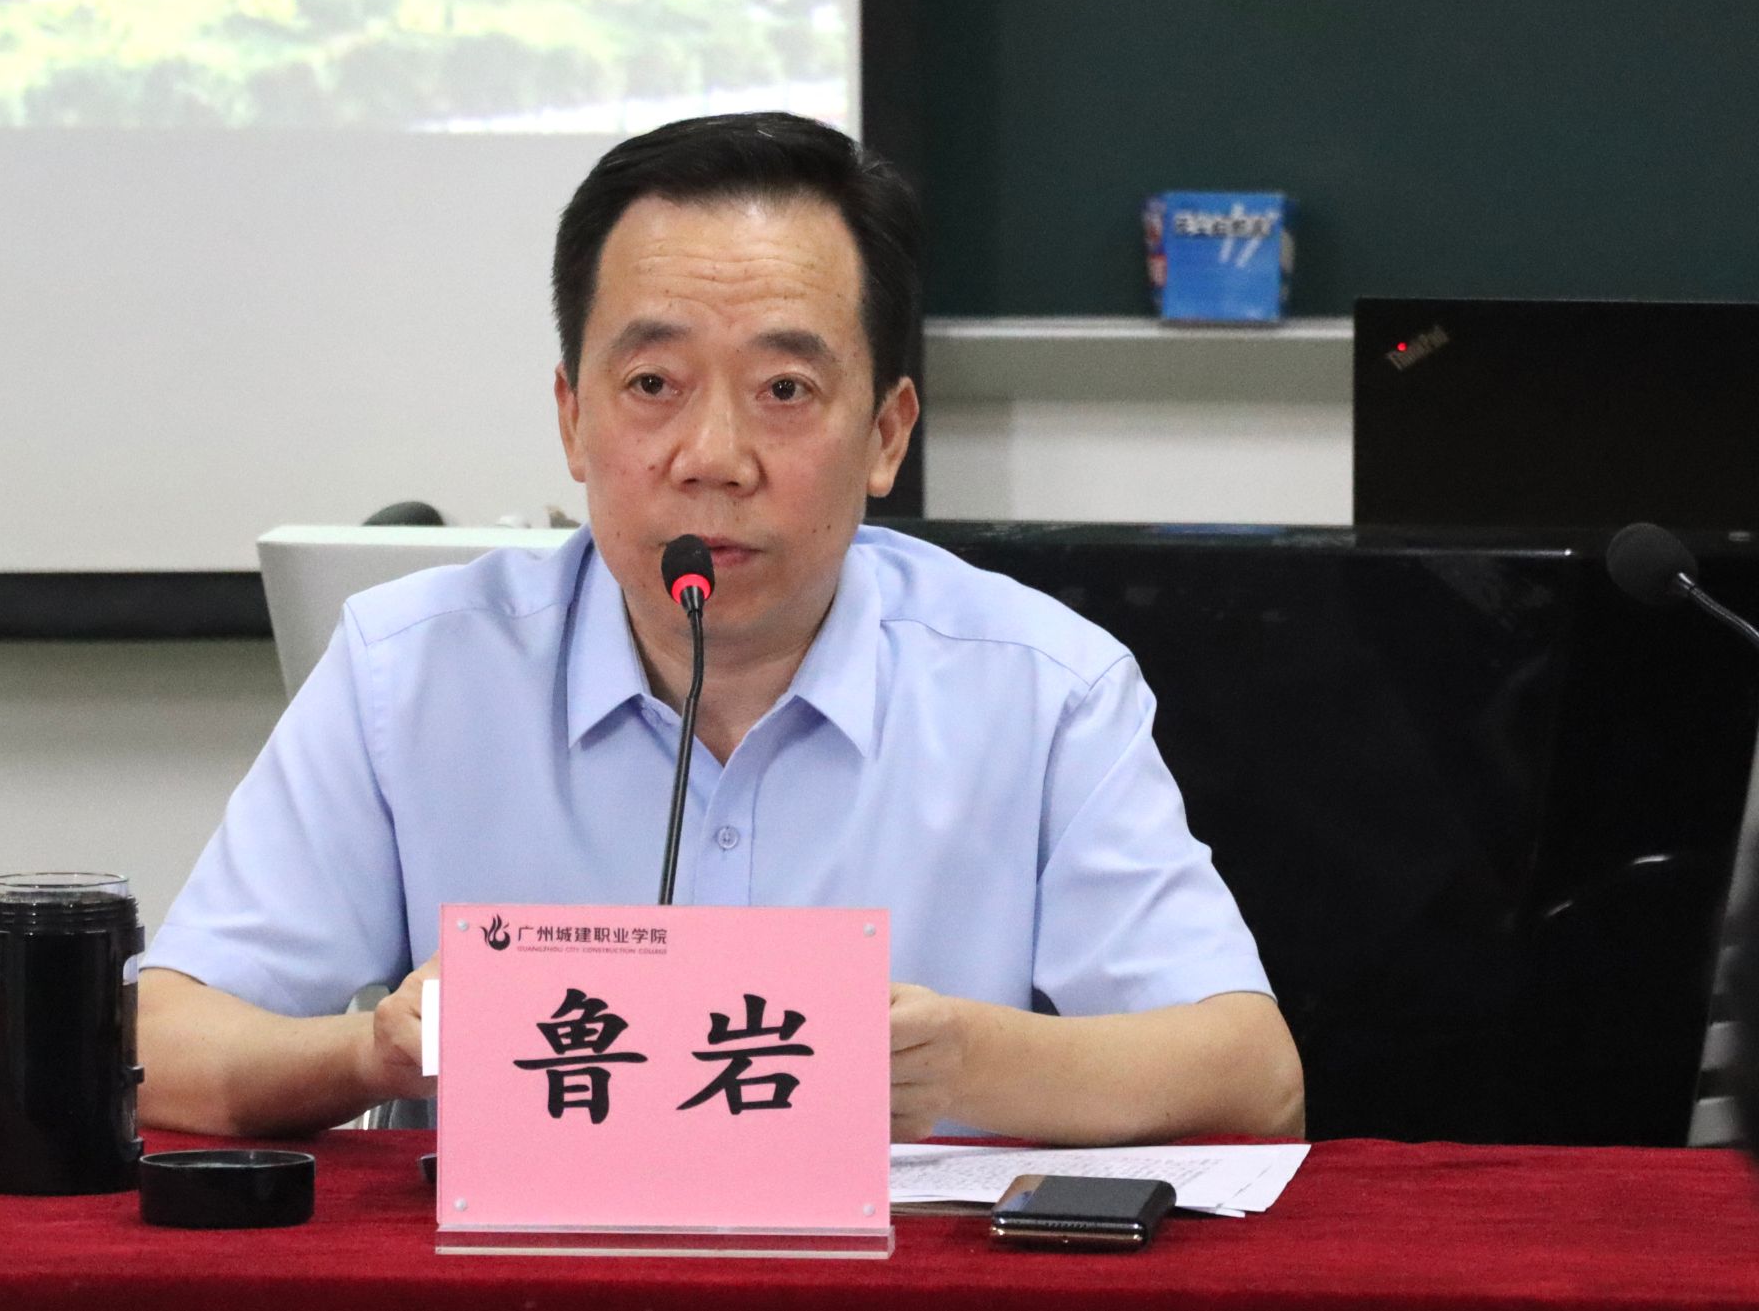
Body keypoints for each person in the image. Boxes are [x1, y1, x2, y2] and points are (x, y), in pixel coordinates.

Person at [138, 112, 1304, 1143]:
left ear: (885, 434)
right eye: (653, 384)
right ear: (572, 419)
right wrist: (370, 1055)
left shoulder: (1042, 687)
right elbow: (153, 1042)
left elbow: (1250, 1077)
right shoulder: (411, 670)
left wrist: (964, 1061)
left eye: (783, 390)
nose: (712, 458)